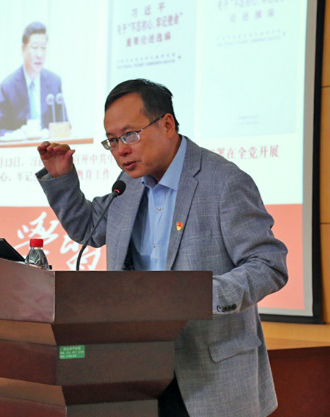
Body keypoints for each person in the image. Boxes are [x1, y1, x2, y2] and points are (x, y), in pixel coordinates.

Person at [35, 79, 288, 417]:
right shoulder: (128, 185)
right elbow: (88, 229)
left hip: (210, 377)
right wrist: (61, 178)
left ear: (167, 124)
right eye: (112, 140)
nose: (121, 150)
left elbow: (269, 265)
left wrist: (197, 296)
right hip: (136, 371)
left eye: (130, 135)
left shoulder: (223, 182)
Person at [0, 22, 67, 141]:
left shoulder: (54, 82)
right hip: (20, 149)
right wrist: (18, 135)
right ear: (23, 49)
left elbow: (64, 125)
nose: (39, 54)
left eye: (43, 48)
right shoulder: (8, 86)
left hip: (48, 148)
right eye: (35, 48)